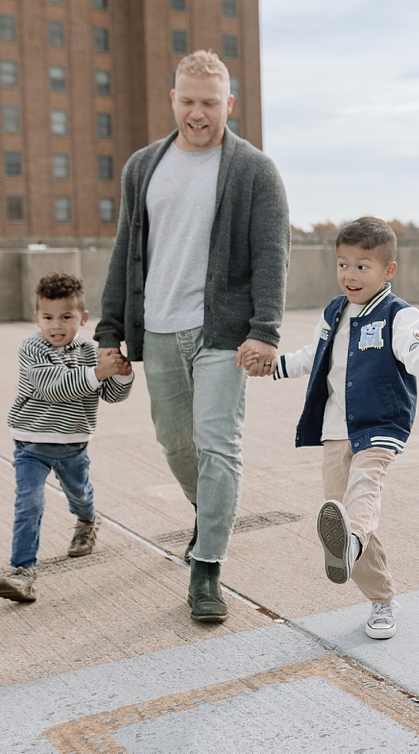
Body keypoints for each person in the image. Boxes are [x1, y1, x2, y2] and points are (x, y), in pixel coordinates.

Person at [95, 49, 291, 624]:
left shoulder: (254, 170)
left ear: (228, 103)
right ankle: (208, 513)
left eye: (210, 102)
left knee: (217, 446)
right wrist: (110, 331)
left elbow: (271, 257)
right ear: (173, 99)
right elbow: (124, 255)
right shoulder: (143, 166)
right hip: (155, 331)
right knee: (177, 445)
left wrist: (265, 331)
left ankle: (207, 566)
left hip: (223, 335)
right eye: (188, 101)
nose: (198, 113)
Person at [259, 217, 419, 640]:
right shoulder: (334, 311)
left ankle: (353, 546)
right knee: (344, 516)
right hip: (335, 429)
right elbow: (315, 355)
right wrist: (275, 366)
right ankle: (380, 597)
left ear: (388, 270)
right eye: (343, 264)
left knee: (363, 491)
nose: (349, 274)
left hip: (379, 427)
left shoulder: (398, 315)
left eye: (362, 266)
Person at [0, 272, 134, 603]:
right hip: (31, 444)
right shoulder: (32, 347)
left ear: (83, 318)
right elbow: (53, 387)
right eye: (48, 317)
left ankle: (87, 522)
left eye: (66, 317)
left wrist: (122, 374)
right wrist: (99, 372)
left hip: (73, 445)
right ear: (37, 318)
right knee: (29, 502)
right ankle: (22, 572)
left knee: (80, 496)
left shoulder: (90, 350)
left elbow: (111, 394)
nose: (56, 326)